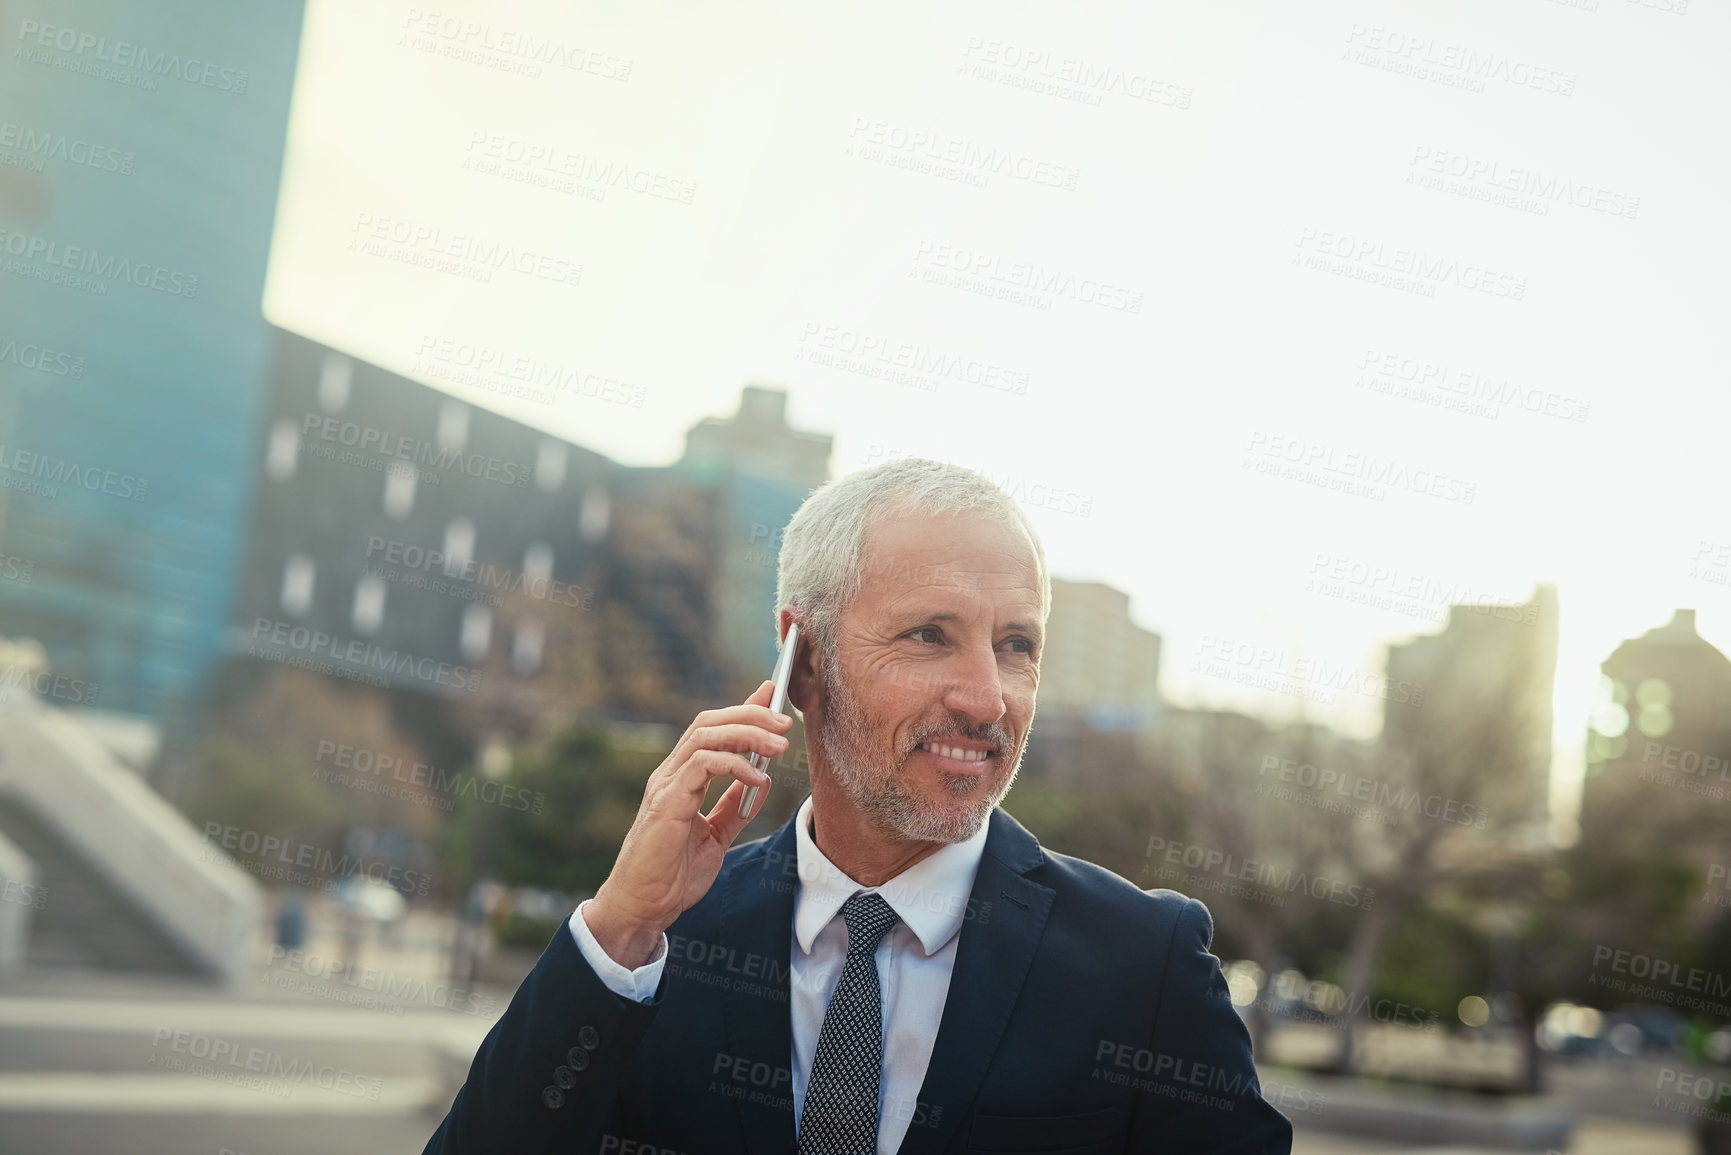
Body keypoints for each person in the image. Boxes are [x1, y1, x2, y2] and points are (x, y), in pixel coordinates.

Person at [424, 458, 1293, 1154]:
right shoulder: (659, 944)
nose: (988, 698)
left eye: (1016, 644)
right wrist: (617, 926)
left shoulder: (1143, 966)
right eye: (930, 634)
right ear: (805, 663)